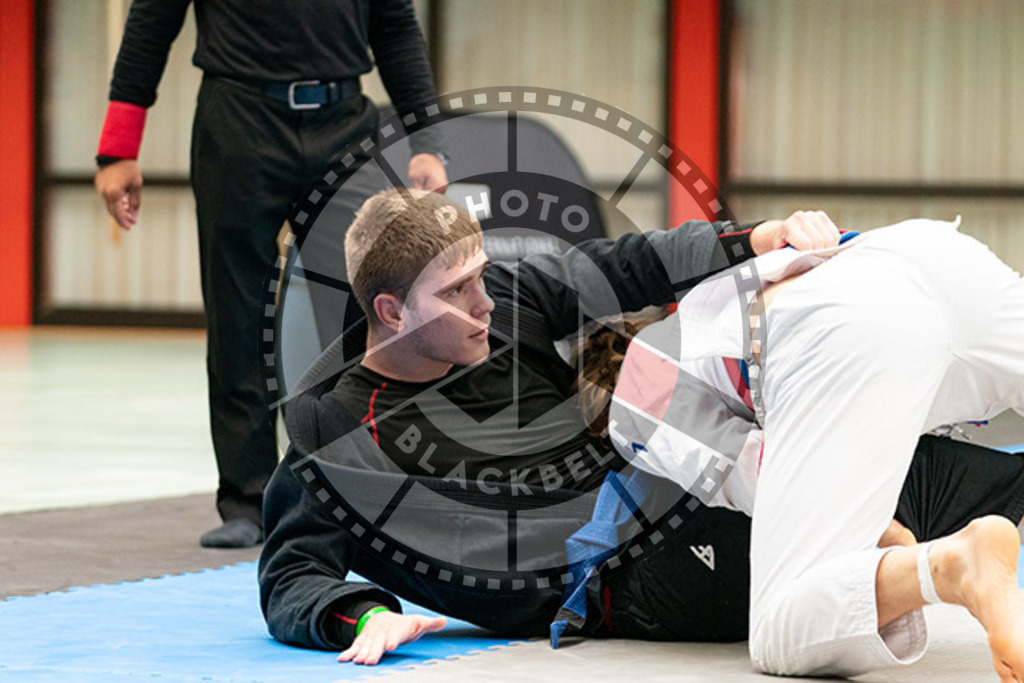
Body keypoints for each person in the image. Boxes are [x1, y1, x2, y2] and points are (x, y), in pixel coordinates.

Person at [259, 191, 1024, 666]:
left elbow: (627, 263)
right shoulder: (330, 440)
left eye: (482, 275)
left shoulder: (509, 302)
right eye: (456, 291)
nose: (485, 301)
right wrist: (363, 613)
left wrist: (755, 237)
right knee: (838, 524)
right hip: (625, 570)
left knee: (939, 474)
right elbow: (291, 574)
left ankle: (928, 548)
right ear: (390, 313)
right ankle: (930, 558)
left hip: (672, 467)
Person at [93, 0, 449, 547]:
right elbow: (152, 20)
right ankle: (248, 497)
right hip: (239, 120)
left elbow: (396, 24)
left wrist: (426, 140)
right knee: (240, 311)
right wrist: (118, 147)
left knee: (364, 310)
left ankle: (359, 490)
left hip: (345, 122)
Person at [610, 217, 1024, 680]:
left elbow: (759, 473)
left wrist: (897, 551)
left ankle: (951, 569)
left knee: (780, 631)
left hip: (848, 322)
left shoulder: (634, 389)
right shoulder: (719, 301)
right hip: (934, 254)